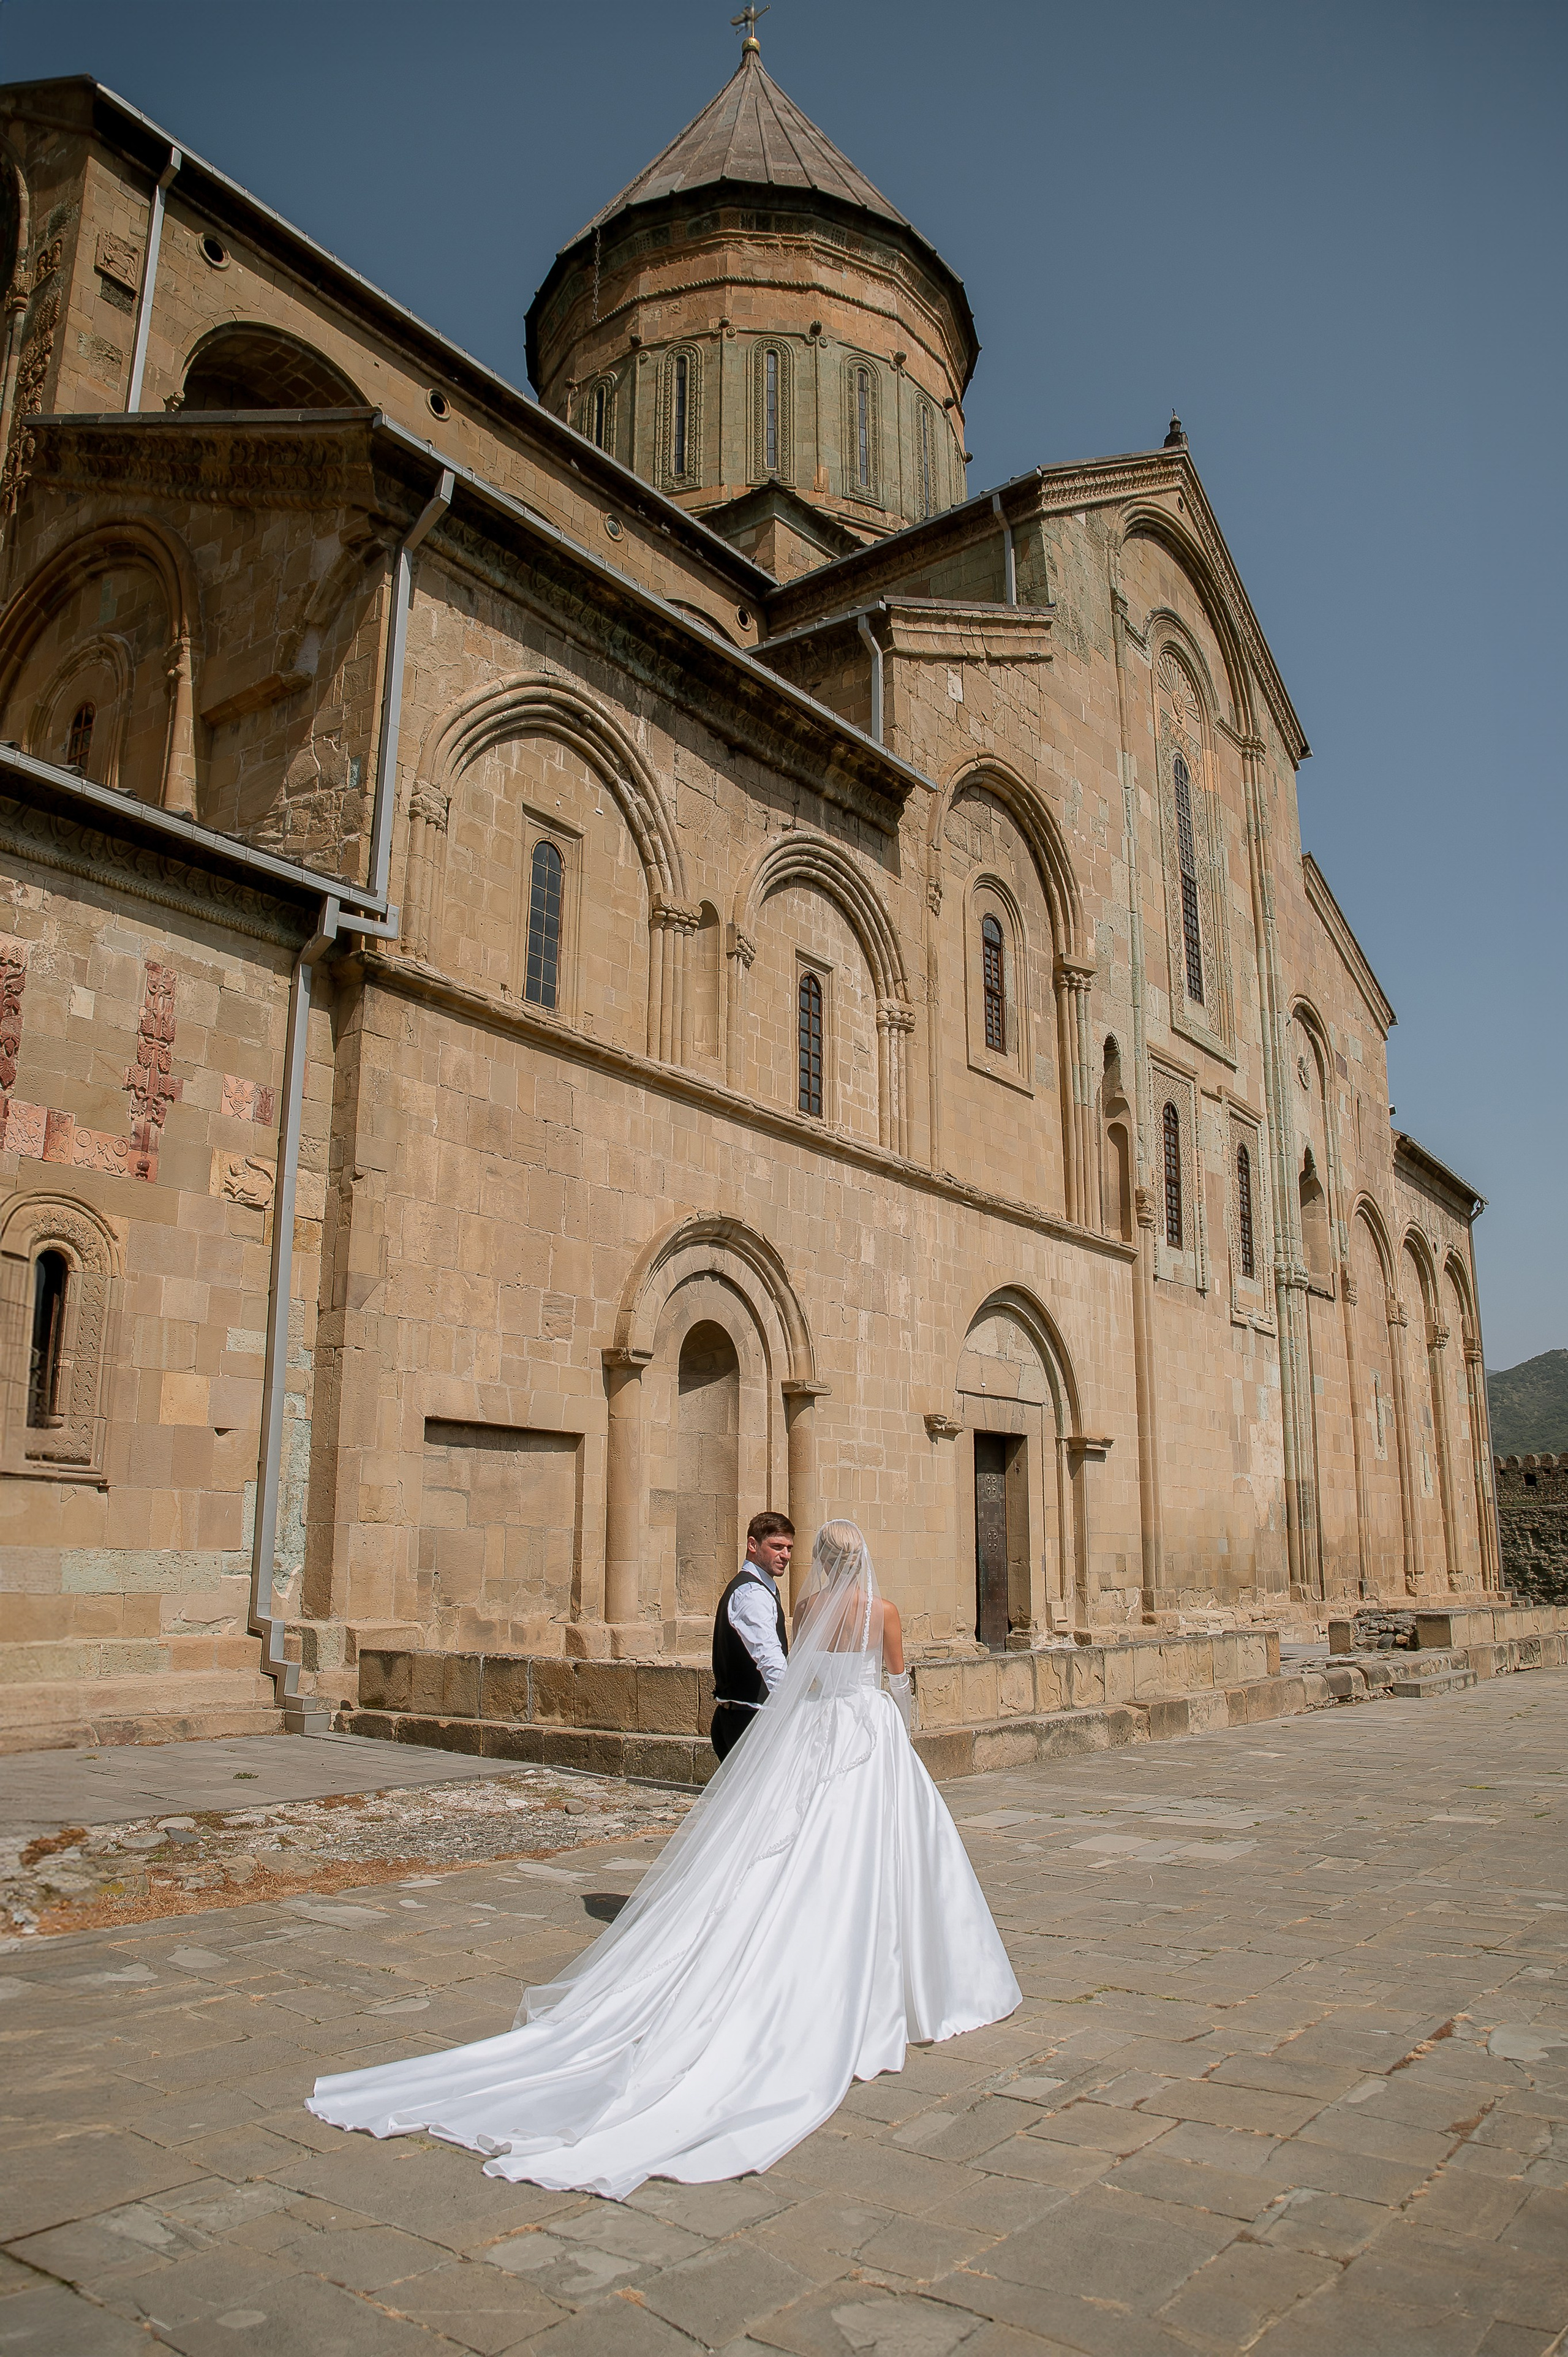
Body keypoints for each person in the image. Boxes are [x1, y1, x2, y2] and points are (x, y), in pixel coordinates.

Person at [307, 1520, 1020, 2202]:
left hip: (819, 1731)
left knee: (803, 1850)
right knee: (880, 1850)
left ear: (820, 1561)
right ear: (863, 1558)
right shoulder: (884, 1609)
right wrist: (901, 1734)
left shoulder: (804, 1605)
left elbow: (800, 1672)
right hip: (867, 1731)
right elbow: (897, 1683)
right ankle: (896, 1982)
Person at [709, 1509, 794, 1760]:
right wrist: (794, 1709)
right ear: (752, 1545)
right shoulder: (752, 1595)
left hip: (746, 1720)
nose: (786, 1555)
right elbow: (770, 1659)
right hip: (750, 1724)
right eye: (777, 1546)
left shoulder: (759, 1589)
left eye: (789, 1548)